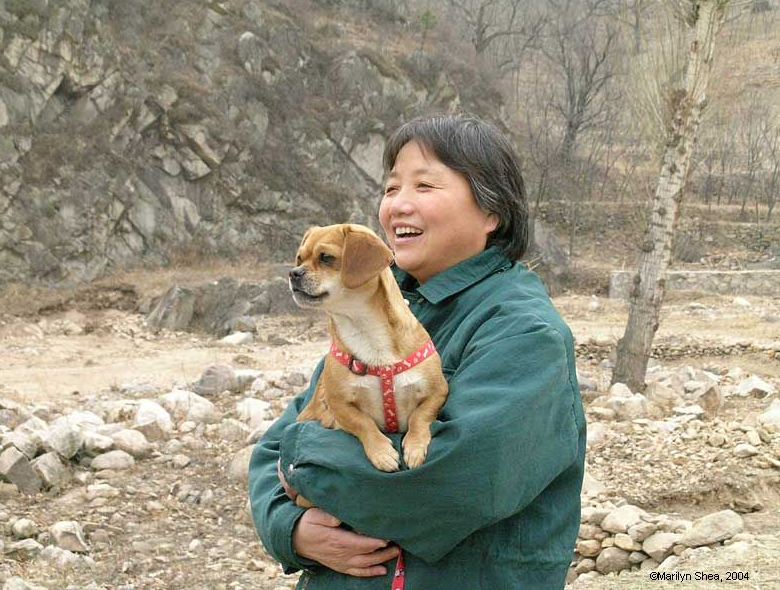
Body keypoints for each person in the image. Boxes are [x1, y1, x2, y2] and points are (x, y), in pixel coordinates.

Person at [248, 113, 586, 589]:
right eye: (391, 188)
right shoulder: (375, 314)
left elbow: (446, 484)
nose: (398, 206)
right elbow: (270, 450)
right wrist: (294, 530)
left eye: (424, 186)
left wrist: (300, 460)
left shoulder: (523, 331)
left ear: (491, 212)